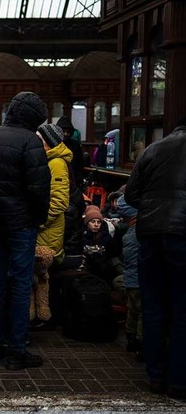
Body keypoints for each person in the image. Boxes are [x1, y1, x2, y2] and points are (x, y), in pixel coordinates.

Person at [0, 91, 51, 370]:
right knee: (20, 286)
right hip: (21, 224)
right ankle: (17, 349)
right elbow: (39, 188)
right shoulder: (30, 141)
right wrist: (38, 218)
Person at [125, 117, 186, 400]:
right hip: (182, 235)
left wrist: (152, 209)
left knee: (153, 307)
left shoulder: (152, 149)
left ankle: (156, 376)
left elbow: (132, 194)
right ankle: (179, 380)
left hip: (150, 233)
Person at [35, 124, 71, 264]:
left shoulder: (56, 163)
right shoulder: (47, 160)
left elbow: (59, 201)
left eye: (39, 139)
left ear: (48, 142)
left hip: (48, 233)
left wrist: (40, 222)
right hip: (45, 232)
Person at [114, 193, 142, 361]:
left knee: (133, 307)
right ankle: (140, 343)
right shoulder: (138, 235)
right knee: (142, 311)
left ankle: (131, 338)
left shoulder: (129, 234)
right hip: (138, 278)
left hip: (130, 277)